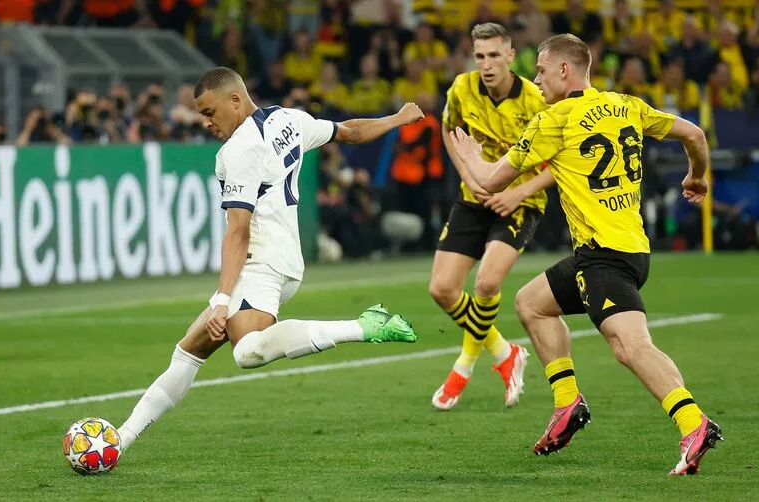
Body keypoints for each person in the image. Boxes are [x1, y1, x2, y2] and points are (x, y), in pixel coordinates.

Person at [450, 34, 722, 475]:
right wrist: (696, 177)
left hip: (605, 257)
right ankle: (567, 405)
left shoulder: (553, 120)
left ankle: (694, 424)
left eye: (540, 69)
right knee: (531, 304)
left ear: (564, 70)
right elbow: (692, 132)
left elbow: (489, 182)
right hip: (624, 247)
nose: (535, 78)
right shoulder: (626, 105)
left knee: (630, 347)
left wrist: (468, 156)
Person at [117, 67, 423, 451]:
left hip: (261, 263)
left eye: (209, 112)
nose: (206, 123)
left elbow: (238, 231)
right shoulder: (288, 119)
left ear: (234, 100)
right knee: (187, 352)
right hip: (287, 262)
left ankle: (362, 326)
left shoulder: (238, 152)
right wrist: (397, 117)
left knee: (247, 352)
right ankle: (119, 441)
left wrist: (221, 301)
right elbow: (351, 132)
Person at [428, 23, 556, 412]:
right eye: (479, 56)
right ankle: (505, 352)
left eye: (494, 56)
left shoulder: (536, 99)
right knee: (442, 289)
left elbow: (562, 160)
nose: (486, 64)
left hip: (520, 201)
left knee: (486, 282)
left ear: (510, 56)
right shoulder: (462, 88)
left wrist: (518, 191)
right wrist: (469, 176)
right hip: (473, 196)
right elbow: (450, 132)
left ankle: (463, 366)